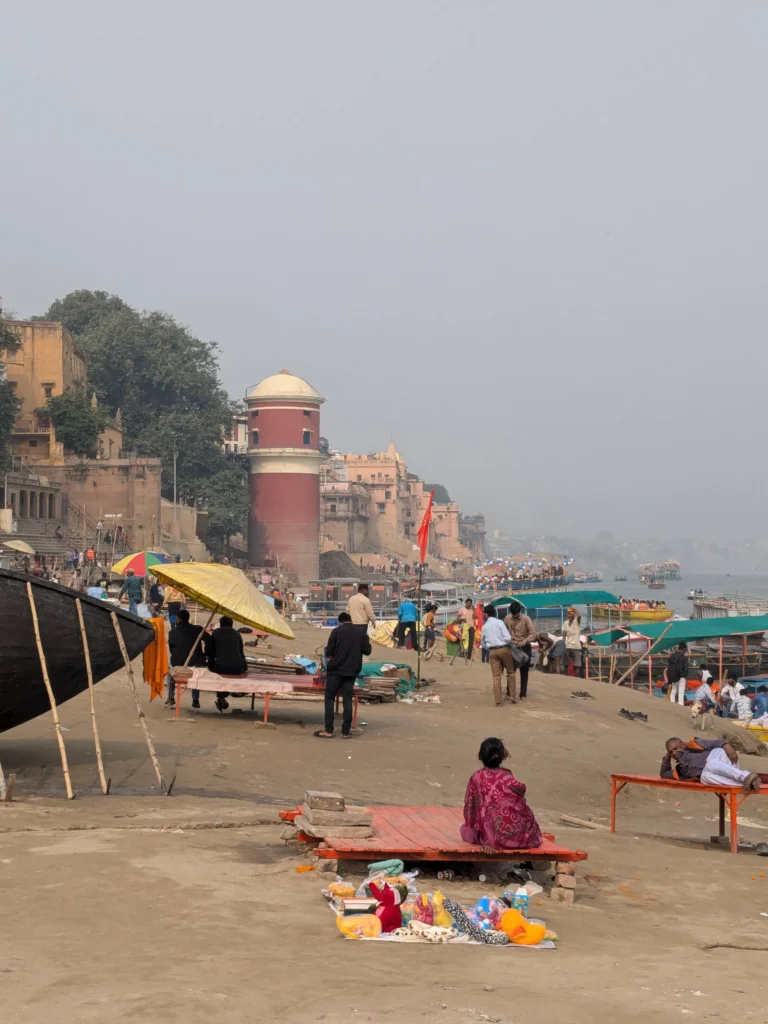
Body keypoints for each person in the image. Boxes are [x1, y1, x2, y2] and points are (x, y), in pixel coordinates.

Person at [460, 737, 543, 852]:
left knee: (469, 826)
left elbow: (471, 808)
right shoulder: (507, 776)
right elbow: (519, 793)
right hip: (521, 838)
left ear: (480, 756)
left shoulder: (477, 777)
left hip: (495, 838)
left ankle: (490, 840)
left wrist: (472, 830)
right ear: (503, 755)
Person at [314, 612, 371, 739]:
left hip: (336, 670)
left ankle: (329, 730)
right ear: (350, 620)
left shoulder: (336, 631)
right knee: (347, 699)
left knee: (329, 697)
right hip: (352, 671)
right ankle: (345, 732)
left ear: (340, 622)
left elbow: (329, 652)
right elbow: (367, 651)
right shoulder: (361, 632)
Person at [207, 615, 247, 712]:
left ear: (220, 624)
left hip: (221, 666)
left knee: (219, 670)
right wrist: (244, 667)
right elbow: (241, 652)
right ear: (231, 624)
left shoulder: (216, 633)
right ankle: (223, 697)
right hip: (237, 667)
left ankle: (221, 697)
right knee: (227, 670)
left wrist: (210, 666)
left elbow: (211, 652)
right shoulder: (237, 634)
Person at [168, 608, 206, 709]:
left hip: (178, 663)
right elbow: (209, 641)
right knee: (196, 672)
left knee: (170, 673)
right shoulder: (198, 629)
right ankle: (195, 699)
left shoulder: (172, 632)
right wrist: (205, 654)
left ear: (179, 619)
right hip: (195, 661)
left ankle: (170, 696)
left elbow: (171, 650)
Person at [480, 605, 516, 706]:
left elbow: (482, 643)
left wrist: (490, 648)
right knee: (510, 672)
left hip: (492, 651)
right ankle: (512, 696)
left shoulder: (484, 626)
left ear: (486, 614)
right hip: (503, 649)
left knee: (496, 676)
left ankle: (498, 701)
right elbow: (508, 638)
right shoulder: (499, 622)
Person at [660, 736, 736, 781]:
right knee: (706, 775)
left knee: (711, 765)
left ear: (683, 745)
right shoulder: (680, 771)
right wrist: (668, 755)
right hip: (719, 776)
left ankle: (743, 776)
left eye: (676, 748)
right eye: (671, 752)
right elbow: (663, 773)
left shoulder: (694, 744)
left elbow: (713, 743)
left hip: (726, 760)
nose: (674, 753)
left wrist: (725, 745)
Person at [503, 600, 537, 700]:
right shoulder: (507, 618)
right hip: (513, 647)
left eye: (517, 615)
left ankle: (523, 694)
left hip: (525, 647)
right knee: (511, 671)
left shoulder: (526, 619)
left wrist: (525, 641)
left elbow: (533, 634)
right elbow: (503, 632)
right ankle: (509, 692)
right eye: (513, 615)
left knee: (524, 672)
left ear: (520, 611)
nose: (515, 617)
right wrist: (509, 640)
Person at [562, 607, 582, 676]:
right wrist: (563, 644)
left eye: (570, 614)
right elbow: (564, 635)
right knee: (566, 665)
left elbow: (579, 615)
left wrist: (575, 609)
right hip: (568, 646)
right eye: (568, 614)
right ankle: (566, 678)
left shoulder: (577, 621)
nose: (569, 615)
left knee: (577, 666)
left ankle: (577, 679)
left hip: (576, 647)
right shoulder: (565, 623)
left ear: (573, 615)